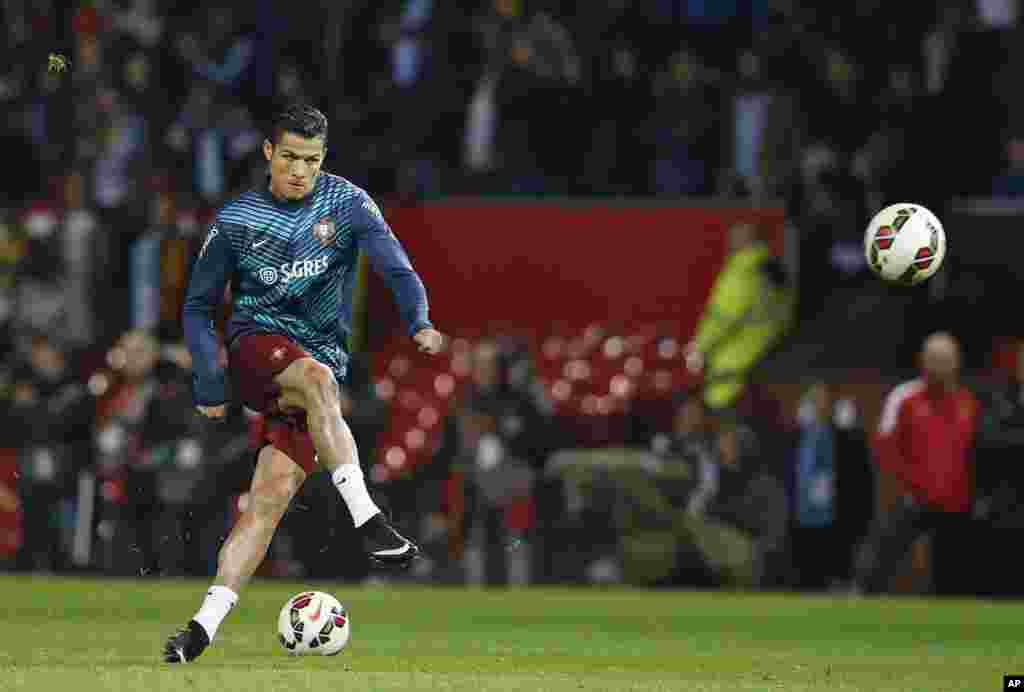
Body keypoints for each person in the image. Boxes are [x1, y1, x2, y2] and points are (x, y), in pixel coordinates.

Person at [165, 105, 444, 663]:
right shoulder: (239, 220)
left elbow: (397, 267)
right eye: (289, 157)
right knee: (319, 382)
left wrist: (419, 319)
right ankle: (369, 521)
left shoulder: (346, 203)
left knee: (267, 499)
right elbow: (197, 308)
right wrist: (208, 379)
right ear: (269, 152)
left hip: (315, 372)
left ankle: (200, 629)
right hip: (254, 348)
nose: (299, 170)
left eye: (311, 160)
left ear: (323, 160)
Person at [852, 332, 978, 595]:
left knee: (955, 576)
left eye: (945, 359)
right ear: (922, 361)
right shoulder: (904, 397)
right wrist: (900, 489)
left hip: (956, 502)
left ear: (957, 363)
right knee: (880, 555)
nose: (939, 365)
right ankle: (862, 594)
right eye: (933, 358)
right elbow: (884, 449)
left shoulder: (970, 403)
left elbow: (976, 453)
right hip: (911, 499)